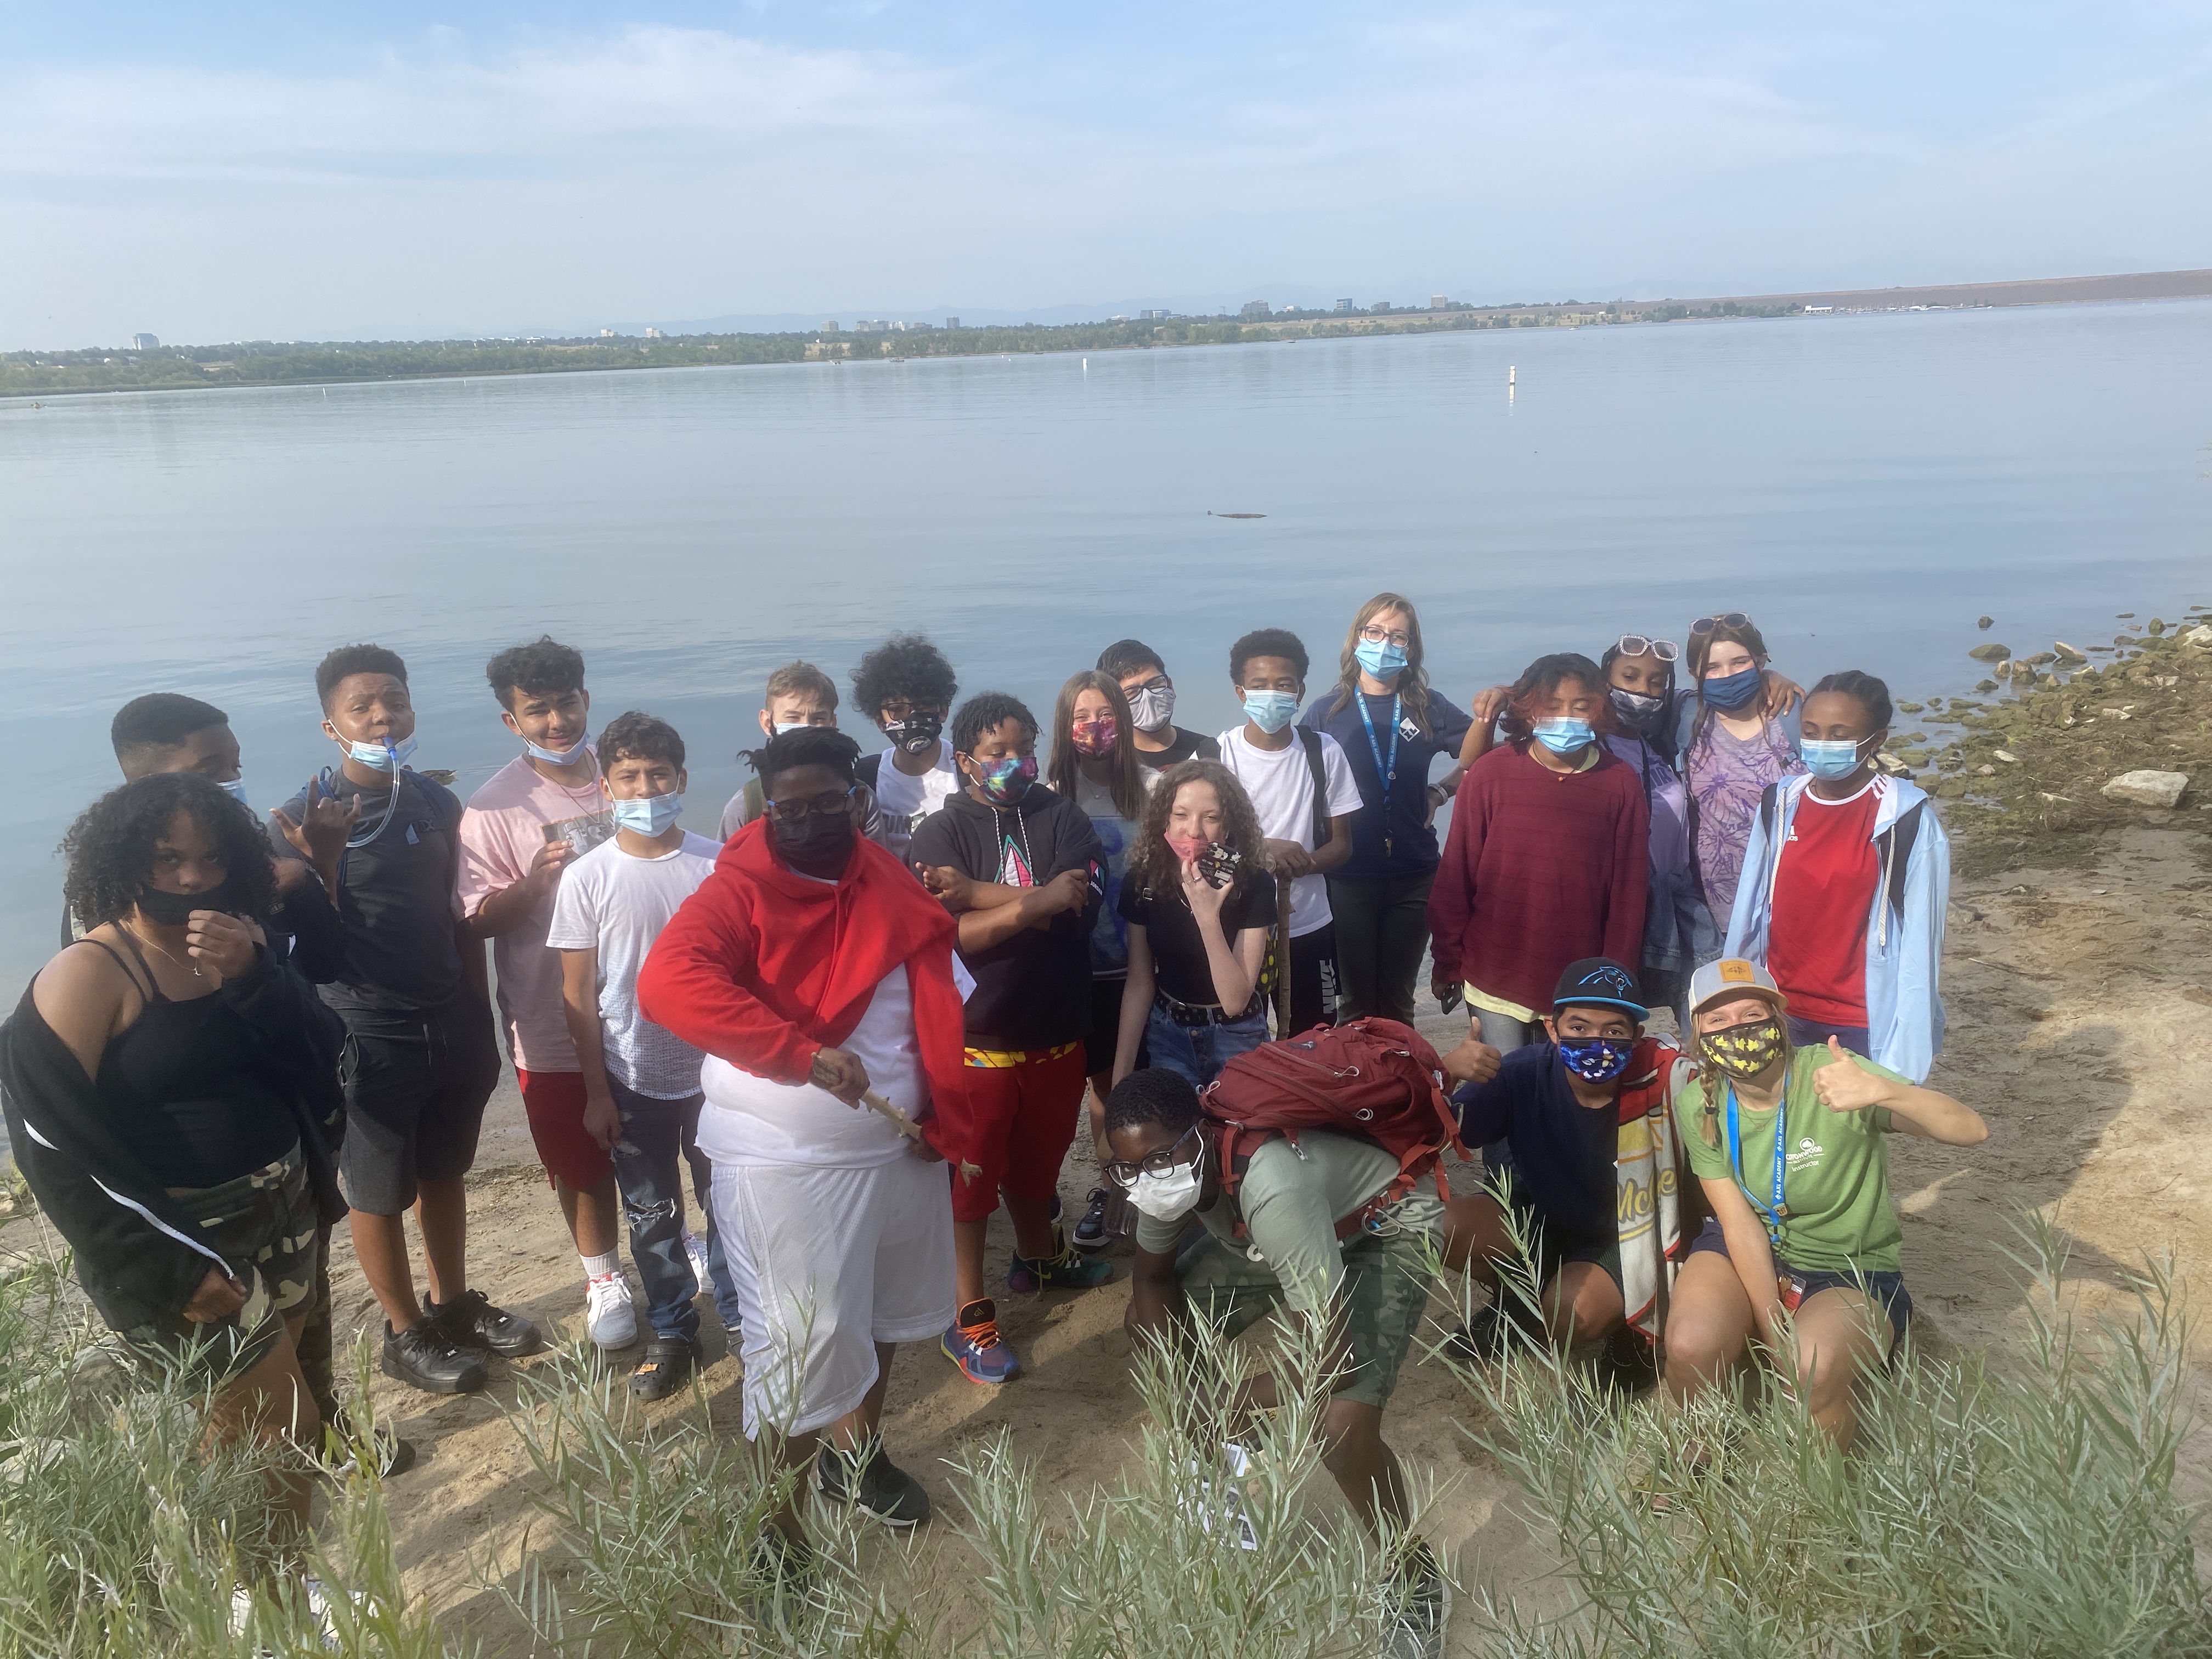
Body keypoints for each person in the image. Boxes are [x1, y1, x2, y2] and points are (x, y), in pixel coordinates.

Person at [3, 774, 347, 1557]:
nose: (192, 878)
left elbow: (322, 1056)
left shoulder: (238, 941)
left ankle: (268, 1579)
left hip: (285, 1214)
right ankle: (256, 1600)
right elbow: (48, 1146)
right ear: (123, 863)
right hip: (190, 1247)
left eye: (211, 859)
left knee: (261, 1426)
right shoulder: (88, 974)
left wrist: (255, 976)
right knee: (274, 1423)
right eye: (167, 860)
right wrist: (169, 1267)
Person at [639, 728, 966, 1533]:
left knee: (881, 1318)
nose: (809, 820)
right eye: (790, 808)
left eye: (827, 804)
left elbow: (938, 995)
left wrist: (944, 1119)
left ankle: (857, 1459)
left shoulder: (885, 872)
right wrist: (801, 1053)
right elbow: (668, 985)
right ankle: (772, 1529)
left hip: (898, 1146)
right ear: (767, 808)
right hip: (786, 1162)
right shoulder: (736, 889)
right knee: (800, 1342)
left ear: (857, 801)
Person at [88, 693, 388, 1468]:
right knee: (233, 1398)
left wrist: (311, 873)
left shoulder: (234, 867)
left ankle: (324, 1428)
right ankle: (244, 1528)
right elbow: (83, 1111)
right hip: (194, 1202)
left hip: (290, 1159)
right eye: (208, 770)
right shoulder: (110, 918)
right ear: (143, 783)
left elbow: (325, 963)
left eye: (233, 769)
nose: (230, 785)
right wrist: (154, 1250)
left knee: (304, 1316)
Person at [1109, 1068, 1447, 1655]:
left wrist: (1234, 1404)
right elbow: (1150, 1280)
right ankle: (1221, 1483)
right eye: (1130, 1168)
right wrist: (1189, 1398)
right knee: (1148, 1324)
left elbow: (1329, 1356)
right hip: (1290, 1231)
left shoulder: (1272, 1188)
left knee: (1341, 1428)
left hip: (1386, 1226)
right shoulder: (1161, 1172)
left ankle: (1412, 1577)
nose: (1146, 1179)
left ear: (1200, 1133)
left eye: (1159, 1159)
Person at [270, 645, 534, 1397]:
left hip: (450, 1016)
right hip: (367, 1027)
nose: (384, 716)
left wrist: (477, 1014)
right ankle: (402, 1329)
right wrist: (316, 866)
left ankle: (451, 1305)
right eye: (364, 707)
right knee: (377, 1188)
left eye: (396, 702)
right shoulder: (298, 818)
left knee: (445, 1170)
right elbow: (291, 947)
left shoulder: (433, 802)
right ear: (331, 725)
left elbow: (460, 916)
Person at [1663, 960, 1986, 1448]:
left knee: (1809, 1370)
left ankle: (1823, 1490)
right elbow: (1738, 1222)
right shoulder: (1699, 1103)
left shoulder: (1836, 1076)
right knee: (1689, 1346)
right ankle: (1699, 1448)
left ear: (1779, 1017)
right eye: (1718, 1021)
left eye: (1753, 1013)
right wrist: (1772, 1325)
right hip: (1753, 1246)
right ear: (1698, 1035)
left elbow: (1971, 1131)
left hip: (1849, 1265)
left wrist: (1887, 1091)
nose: (1738, 1030)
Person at [907, 692, 1113, 1384]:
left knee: (1039, 1164)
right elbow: (948, 936)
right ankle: (969, 1315)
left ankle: (1039, 1258)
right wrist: (1036, 900)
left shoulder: (1062, 815)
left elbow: (1079, 904)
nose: (1012, 763)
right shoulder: (938, 832)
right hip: (976, 1042)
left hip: (1057, 1032)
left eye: (1022, 748)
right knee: (971, 1180)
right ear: (965, 758)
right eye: (995, 752)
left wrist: (976, 891)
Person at [549, 711, 744, 1398]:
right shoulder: (587, 877)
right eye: (628, 776)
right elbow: (578, 995)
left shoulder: (717, 865)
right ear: (606, 788)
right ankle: (672, 1329)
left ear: (682, 779)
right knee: (653, 1216)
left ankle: (743, 1320)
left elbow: (741, 970)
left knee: (729, 1205)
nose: (645, 787)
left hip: (718, 1075)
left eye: (658, 774)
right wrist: (597, 1093)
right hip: (633, 1078)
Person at [457, 638, 633, 1351]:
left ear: (586, 700)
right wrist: (532, 881)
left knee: (664, 1138)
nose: (557, 720)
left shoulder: (627, 773)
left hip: (648, 1008)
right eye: (538, 710)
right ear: (512, 721)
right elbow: (475, 920)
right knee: (578, 1155)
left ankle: (683, 1244)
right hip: (549, 1014)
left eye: (567, 703)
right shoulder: (493, 806)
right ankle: (603, 1279)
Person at [1443, 958, 1685, 1367]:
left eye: (1614, 1031)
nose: (1597, 1042)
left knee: (1567, 1318)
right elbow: (1435, 1133)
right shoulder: (1521, 1073)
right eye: (1579, 1027)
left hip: (1629, 1237)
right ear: (1553, 1029)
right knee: (1437, 1224)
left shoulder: (1665, 1081)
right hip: (1545, 1218)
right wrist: (1443, 1074)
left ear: (1637, 1035)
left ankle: (1633, 1334)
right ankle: (1516, 1302)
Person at [1725, 671, 1948, 1079]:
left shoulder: (1905, 819)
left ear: (1875, 740)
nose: (1821, 745)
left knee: (1846, 1137)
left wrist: (1908, 1055)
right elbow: (1750, 910)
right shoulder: (1780, 804)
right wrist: (1735, 991)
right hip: (1778, 1007)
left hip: (1858, 1018)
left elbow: (1922, 940)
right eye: (1810, 731)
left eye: (1839, 735)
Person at [1429, 653, 1650, 1060]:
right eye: (1552, 707)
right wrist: (1447, 961)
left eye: (1580, 706)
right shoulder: (1490, 774)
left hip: (1580, 983)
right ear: (1530, 712)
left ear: (1598, 710)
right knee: (1503, 1090)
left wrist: (1616, 981)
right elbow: (1457, 875)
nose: (1566, 717)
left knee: (1568, 1099)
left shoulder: (1620, 782)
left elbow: (1628, 897)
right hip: (1494, 977)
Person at [1302, 594, 1475, 1024]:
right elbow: (1297, 783)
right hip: (1347, 876)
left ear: (1411, 649)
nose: (1385, 643)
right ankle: (1361, 1087)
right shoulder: (1327, 712)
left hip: (1414, 875)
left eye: (1398, 636)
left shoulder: (1428, 705)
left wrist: (1441, 792)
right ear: (1357, 638)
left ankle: (1405, 1086)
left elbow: (1483, 758)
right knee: (1355, 1006)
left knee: (1398, 1002)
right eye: (1375, 632)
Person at [1044, 670, 1151, 1253]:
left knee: (1140, 1080)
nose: (1094, 728)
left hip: (1140, 967)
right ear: (1064, 727)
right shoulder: (1052, 793)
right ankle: (1109, 1190)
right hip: (1077, 969)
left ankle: (1146, 1189)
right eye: (1082, 717)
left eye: (1106, 714)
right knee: (1101, 1088)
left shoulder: (1154, 788)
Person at [1217, 629, 1362, 1036]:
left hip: (1310, 926)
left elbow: (1343, 844)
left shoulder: (1324, 751)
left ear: (1299, 691)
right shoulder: (1217, 758)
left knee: (1314, 1039)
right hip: (1242, 928)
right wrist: (1258, 852)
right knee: (1244, 1039)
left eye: (1283, 685)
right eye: (1259, 686)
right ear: (1241, 693)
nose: (1272, 695)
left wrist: (1304, 861)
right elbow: (1196, 849)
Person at [1111, 760, 1277, 1088]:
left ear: (1228, 826)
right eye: (1181, 815)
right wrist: (1121, 1078)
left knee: (1236, 1137)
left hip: (1237, 1035)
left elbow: (1235, 1001)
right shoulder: (1143, 881)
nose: (1194, 830)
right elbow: (1140, 982)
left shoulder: (1253, 882)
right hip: (1169, 1032)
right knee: (1177, 1137)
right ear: (1165, 821)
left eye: (1211, 818)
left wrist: (1207, 916)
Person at [1598, 637, 1719, 1028]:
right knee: (1619, 1020)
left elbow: (1703, 695)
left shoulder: (1654, 745)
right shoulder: (1592, 750)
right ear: (1603, 682)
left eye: (1655, 682)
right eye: (1629, 677)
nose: (1642, 691)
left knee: (1700, 1017)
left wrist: (1768, 678)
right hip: (1633, 904)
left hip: (1679, 901)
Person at [1681, 613, 1804, 939]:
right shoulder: (1684, 719)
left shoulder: (1796, 718)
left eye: (1740, 662)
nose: (1727, 675)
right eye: (1712, 668)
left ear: (1761, 660)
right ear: (1695, 674)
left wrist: (1777, 678)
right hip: (1713, 911)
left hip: (1794, 894)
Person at [719, 661, 888, 845]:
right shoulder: (746, 805)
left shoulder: (860, 797)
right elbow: (726, 865)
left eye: (818, 718)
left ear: (832, 723)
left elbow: (878, 862)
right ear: (768, 722)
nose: (805, 727)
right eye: (792, 717)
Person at [851, 633, 962, 867]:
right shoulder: (867, 775)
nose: (912, 717)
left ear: (943, 711)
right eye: (897, 709)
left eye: (924, 705)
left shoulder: (965, 768)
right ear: (880, 721)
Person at [1098, 639, 1221, 772]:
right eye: (1132, 692)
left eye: (1155, 684)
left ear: (1171, 686)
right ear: (1115, 705)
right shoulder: (1112, 763)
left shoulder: (1208, 752)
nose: (1148, 696)